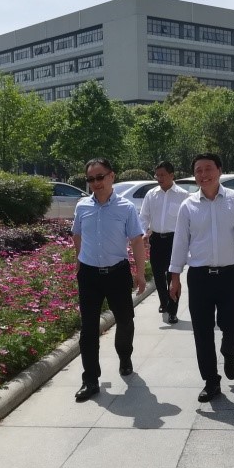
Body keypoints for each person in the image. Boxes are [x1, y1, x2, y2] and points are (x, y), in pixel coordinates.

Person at [168, 153, 234, 402]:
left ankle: (229, 352)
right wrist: (174, 278)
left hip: (229, 276)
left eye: (208, 169)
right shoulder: (188, 206)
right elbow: (180, 243)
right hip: (199, 277)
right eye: (198, 170)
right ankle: (211, 381)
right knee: (202, 331)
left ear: (219, 170)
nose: (203, 174)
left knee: (233, 325)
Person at [71, 158, 147, 401]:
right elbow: (77, 234)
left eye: (100, 177)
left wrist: (140, 273)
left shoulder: (126, 207)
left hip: (117, 273)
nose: (96, 183)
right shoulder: (82, 206)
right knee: (88, 329)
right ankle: (90, 380)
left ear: (112, 176)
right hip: (89, 275)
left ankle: (125, 356)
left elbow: (136, 240)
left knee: (125, 320)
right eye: (91, 179)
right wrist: (79, 259)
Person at [140, 161, 189, 324]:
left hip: (174, 240)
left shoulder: (183, 195)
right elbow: (144, 216)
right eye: (157, 175)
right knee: (158, 274)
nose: (159, 178)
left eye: (163, 175)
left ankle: (173, 311)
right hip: (156, 239)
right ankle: (164, 302)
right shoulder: (151, 194)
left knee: (173, 276)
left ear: (171, 175)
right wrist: (143, 233)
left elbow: (187, 221)